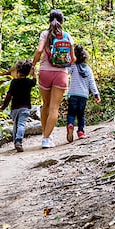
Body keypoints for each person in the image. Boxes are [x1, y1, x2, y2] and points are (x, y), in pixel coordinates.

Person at [31, 9, 74, 148]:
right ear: (62, 21)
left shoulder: (45, 34)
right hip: (61, 74)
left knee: (46, 104)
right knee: (54, 107)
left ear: (49, 20)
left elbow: (38, 51)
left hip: (44, 72)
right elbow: (72, 59)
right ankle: (46, 138)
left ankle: (46, 134)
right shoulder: (67, 36)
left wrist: (33, 65)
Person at [66, 45, 100, 142]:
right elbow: (92, 83)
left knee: (71, 113)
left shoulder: (73, 66)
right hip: (83, 96)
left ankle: (70, 124)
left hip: (73, 94)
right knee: (81, 114)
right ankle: (81, 132)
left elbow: (65, 72)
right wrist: (96, 94)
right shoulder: (88, 69)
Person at [0, 59, 36, 152]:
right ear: (27, 72)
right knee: (21, 124)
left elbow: (9, 95)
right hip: (25, 108)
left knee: (16, 125)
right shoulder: (28, 82)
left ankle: (16, 142)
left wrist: (4, 106)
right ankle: (18, 141)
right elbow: (34, 82)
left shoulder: (14, 82)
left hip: (15, 108)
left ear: (17, 71)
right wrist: (34, 74)